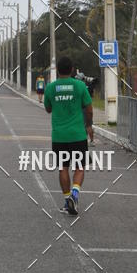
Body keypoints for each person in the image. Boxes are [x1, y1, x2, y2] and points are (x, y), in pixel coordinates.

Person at [44, 56, 93, 216]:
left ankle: (67, 201)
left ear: (57, 70)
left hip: (59, 137)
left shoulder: (50, 88)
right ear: (72, 69)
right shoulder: (80, 86)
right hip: (78, 135)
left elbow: (48, 109)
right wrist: (89, 125)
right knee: (79, 167)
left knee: (63, 168)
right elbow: (89, 108)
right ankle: (75, 194)